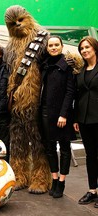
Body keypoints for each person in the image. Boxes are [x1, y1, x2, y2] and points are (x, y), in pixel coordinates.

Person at [40, 36, 76, 198]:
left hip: (62, 114)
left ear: (62, 46)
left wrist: (63, 114)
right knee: (49, 147)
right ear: (47, 48)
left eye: (56, 45)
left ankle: (62, 181)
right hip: (45, 112)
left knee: (65, 148)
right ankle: (54, 178)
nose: (53, 47)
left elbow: (70, 92)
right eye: (51, 45)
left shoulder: (67, 65)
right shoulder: (45, 64)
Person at [73, 36, 98, 207]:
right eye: (82, 48)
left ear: (95, 48)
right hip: (84, 119)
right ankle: (92, 190)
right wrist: (76, 118)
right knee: (90, 156)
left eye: (87, 47)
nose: (84, 50)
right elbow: (78, 96)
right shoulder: (81, 71)